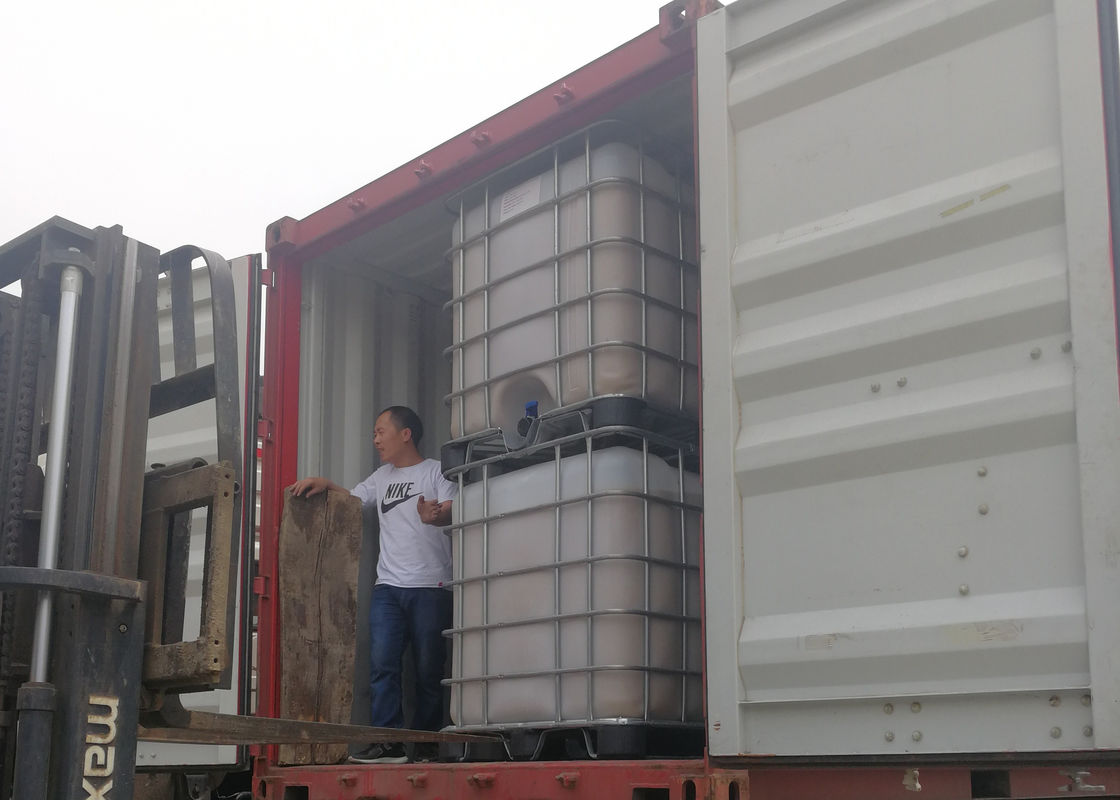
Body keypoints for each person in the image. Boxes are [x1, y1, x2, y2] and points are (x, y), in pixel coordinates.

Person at [291, 405, 456, 764]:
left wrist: (435, 515)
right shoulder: (381, 477)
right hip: (388, 589)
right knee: (383, 666)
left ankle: (427, 747)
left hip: (431, 586)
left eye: (381, 431)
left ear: (405, 434)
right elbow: (353, 499)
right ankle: (387, 744)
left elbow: (451, 508)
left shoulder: (435, 471)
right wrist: (326, 484)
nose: (376, 439)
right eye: (374, 433)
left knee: (428, 672)